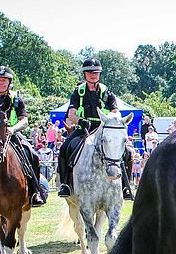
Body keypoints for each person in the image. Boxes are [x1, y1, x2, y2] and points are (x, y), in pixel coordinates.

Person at [57, 58, 133, 199]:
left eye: (96, 72)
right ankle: (65, 184)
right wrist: (81, 121)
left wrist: (109, 119)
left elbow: (116, 111)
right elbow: (71, 114)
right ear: (84, 74)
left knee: (128, 152)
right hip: (84, 128)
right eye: (90, 72)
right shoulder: (78, 92)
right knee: (65, 147)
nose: (93, 75)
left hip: (103, 128)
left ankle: (125, 186)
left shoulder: (107, 92)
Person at [0, 65, 45, 206]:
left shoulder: (16, 99)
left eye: (4, 80)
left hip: (11, 135)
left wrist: (13, 129)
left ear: (9, 82)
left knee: (33, 155)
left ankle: (35, 192)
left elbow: (24, 120)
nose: (1, 82)